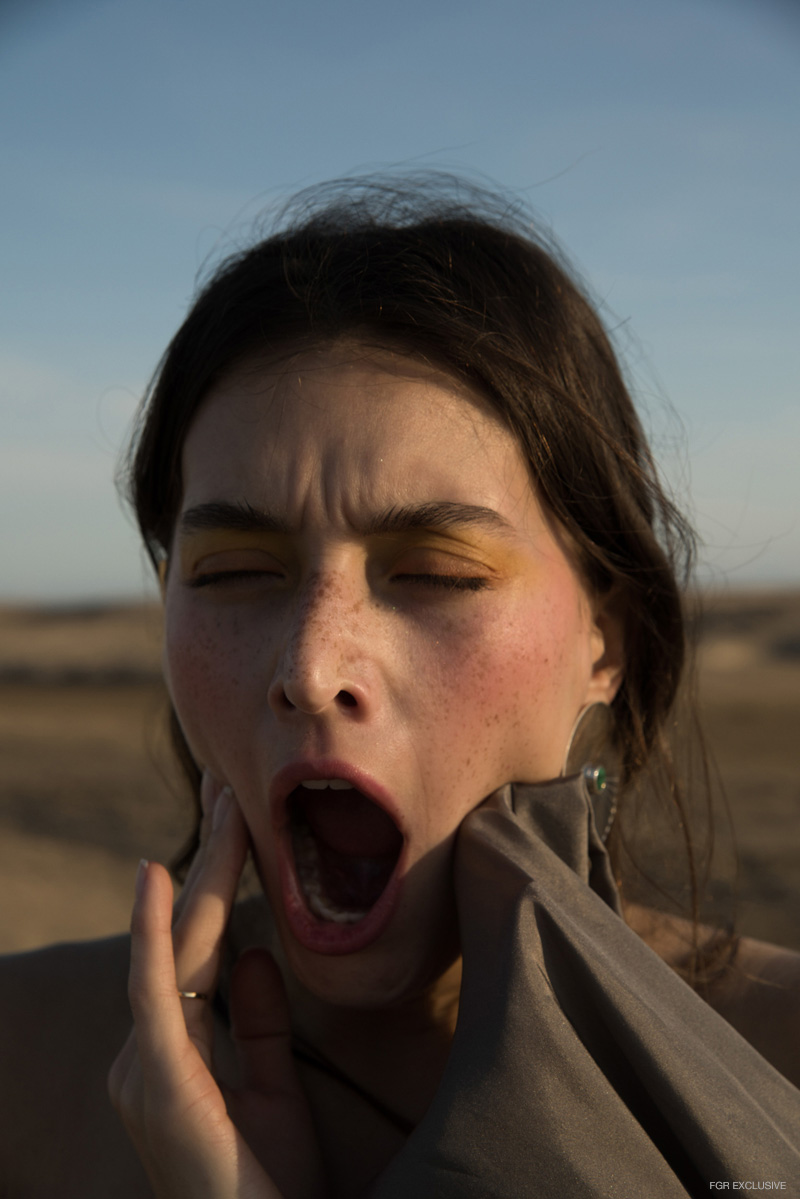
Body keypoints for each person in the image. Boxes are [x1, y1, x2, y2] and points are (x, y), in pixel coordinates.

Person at [1, 176, 798, 1199]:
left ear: (607, 641)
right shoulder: (26, 1058)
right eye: (234, 573)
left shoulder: (771, 1068)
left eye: (436, 573)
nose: (308, 667)